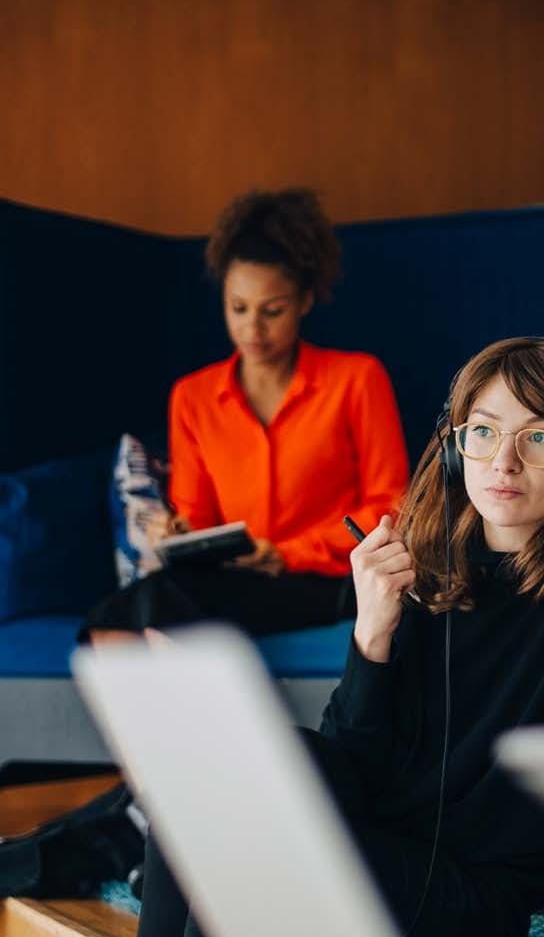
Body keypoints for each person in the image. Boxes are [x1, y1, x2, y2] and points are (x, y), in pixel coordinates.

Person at [124, 337, 544, 937]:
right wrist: (371, 633)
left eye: (539, 438)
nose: (503, 461)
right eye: (483, 432)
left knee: (248, 840)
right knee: (230, 773)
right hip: (375, 840)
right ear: (453, 443)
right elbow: (353, 760)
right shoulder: (426, 544)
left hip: (467, 892)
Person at [83, 188, 409, 643]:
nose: (252, 330)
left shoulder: (357, 379)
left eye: (272, 311)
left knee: (145, 610)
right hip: (231, 580)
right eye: (238, 308)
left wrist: (284, 554)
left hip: (333, 579)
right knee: (122, 619)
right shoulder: (192, 396)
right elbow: (195, 513)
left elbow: (390, 507)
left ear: (304, 302)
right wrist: (177, 532)